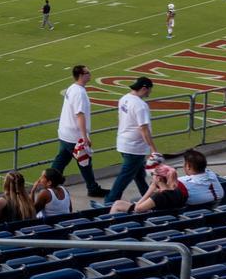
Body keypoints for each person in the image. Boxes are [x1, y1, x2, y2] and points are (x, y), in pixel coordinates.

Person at [52, 65, 105, 198]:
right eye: (88, 72)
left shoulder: (72, 88)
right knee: (84, 161)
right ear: (81, 75)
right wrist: (84, 136)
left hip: (65, 132)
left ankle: (49, 182)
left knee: (61, 160)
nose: (90, 74)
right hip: (74, 135)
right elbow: (80, 115)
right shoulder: (79, 93)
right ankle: (92, 188)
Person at [102, 77, 156, 206]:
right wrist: (153, 149)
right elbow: (143, 128)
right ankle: (110, 202)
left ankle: (146, 196)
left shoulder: (124, 99)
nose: (150, 93)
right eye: (149, 90)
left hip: (124, 143)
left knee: (138, 175)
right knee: (125, 177)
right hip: (134, 147)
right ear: (144, 88)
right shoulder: (141, 106)